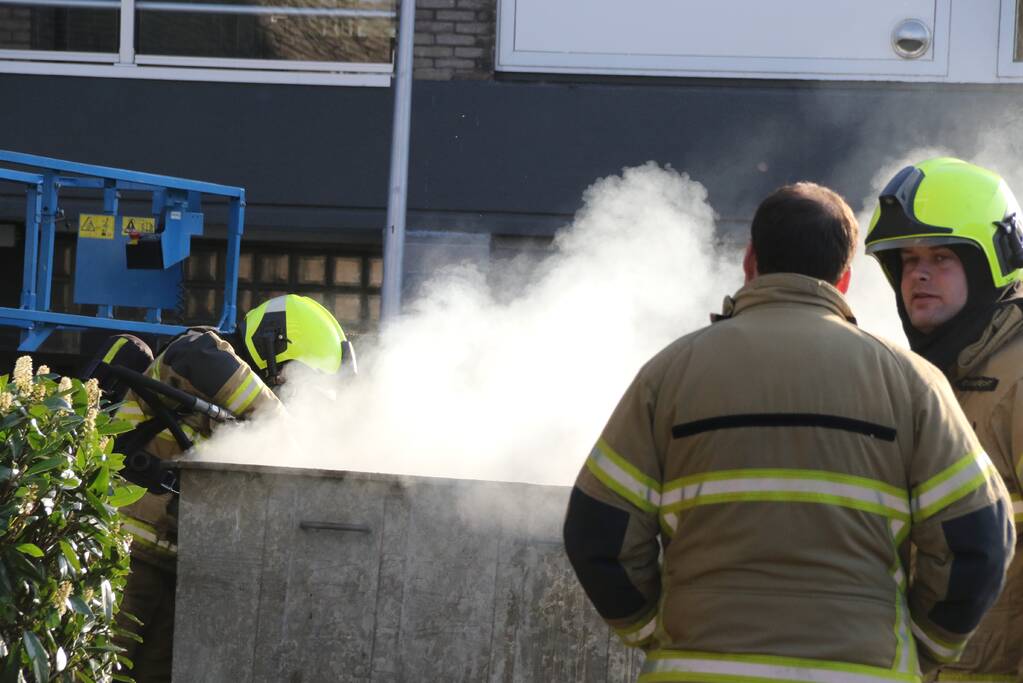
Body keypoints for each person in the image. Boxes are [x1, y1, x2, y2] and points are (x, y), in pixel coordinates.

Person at [563, 181, 1015, 682]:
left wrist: (656, 631)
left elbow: (597, 534)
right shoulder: (910, 382)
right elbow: (979, 541)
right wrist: (921, 646)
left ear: (750, 261)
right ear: (844, 279)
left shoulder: (668, 374)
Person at [84, 294, 355, 682]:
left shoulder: (245, 415)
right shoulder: (203, 351)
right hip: (123, 557)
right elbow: (197, 356)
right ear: (275, 351)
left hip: (176, 569)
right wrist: (284, 428)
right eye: (301, 376)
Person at [865, 157, 1023, 682]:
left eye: (941, 257)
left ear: (990, 262)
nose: (919, 274)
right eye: (907, 261)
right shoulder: (921, 376)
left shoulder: (1018, 376)